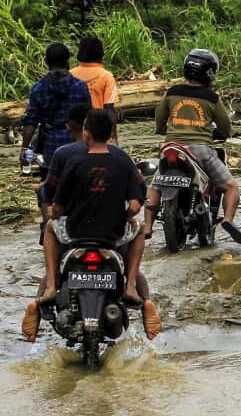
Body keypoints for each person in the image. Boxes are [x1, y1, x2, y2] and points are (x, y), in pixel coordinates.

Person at [22, 106, 161, 342]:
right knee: (138, 229)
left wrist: (55, 212)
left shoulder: (73, 161)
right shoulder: (122, 160)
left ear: (85, 133)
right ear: (110, 134)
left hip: (76, 233)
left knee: (49, 229)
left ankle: (50, 288)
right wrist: (127, 213)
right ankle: (131, 289)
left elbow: (57, 205)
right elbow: (136, 204)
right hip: (112, 234)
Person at [144, 49, 241, 244]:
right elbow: (225, 126)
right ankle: (228, 220)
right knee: (231, 186)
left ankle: (147, 226)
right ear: (210, 73)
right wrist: (225, 133)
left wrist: (161, 129)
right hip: (201, 150)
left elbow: (159, 117)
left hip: (172, 147)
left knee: (156, 186)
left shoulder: (172, 92)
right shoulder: (212, 98)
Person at [21, 44, 91, 181]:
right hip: (78, 143)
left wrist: (24, 150)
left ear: (46, 62)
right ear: (67, 61)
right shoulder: (80, 86)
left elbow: (30, 122)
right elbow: (90, 115)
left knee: (50, 184)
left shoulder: (38, 88)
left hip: (50, 145)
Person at [70, 35, 120, 139]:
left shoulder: (70, 75)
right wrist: (113, 136)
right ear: (101, 54)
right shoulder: (106, 76)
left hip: (74, 131)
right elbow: (109, 109)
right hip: (98, 131)